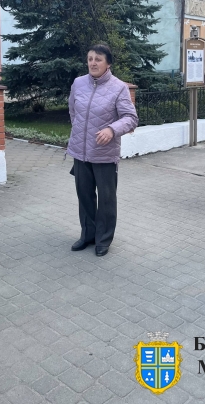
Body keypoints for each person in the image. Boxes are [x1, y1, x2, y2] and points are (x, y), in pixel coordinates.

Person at [67, 44, 138, 257]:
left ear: (108, 63)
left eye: (98, 59)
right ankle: (87, 235)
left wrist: (111, 129)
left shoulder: (119, 88)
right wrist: (80, 132)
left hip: (105, 153)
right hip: (80, 152)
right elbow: (73, 111)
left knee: (106, 199)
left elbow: (130, 118)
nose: (93, 63)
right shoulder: (78, 83)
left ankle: (103, 239)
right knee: (84, 196)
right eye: (90, 58)